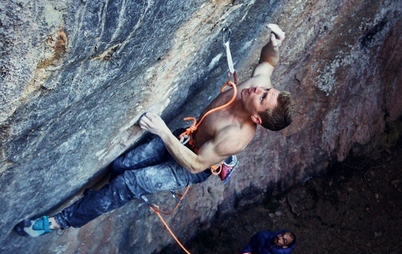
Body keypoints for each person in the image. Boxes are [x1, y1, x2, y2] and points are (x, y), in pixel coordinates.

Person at [15, 24, 293, 237]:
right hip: (187, 137)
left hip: (189, 164)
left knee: (127, 184)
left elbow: (195, 165)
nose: (258, 89)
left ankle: (57, 222)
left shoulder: (236, 134)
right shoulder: (255, 86)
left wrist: (162, 132)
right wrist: (274, 44)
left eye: (262, 97)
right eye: (266, 89)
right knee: (122, 166)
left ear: (257, 119)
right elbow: (268, 63)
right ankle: (99, 199)